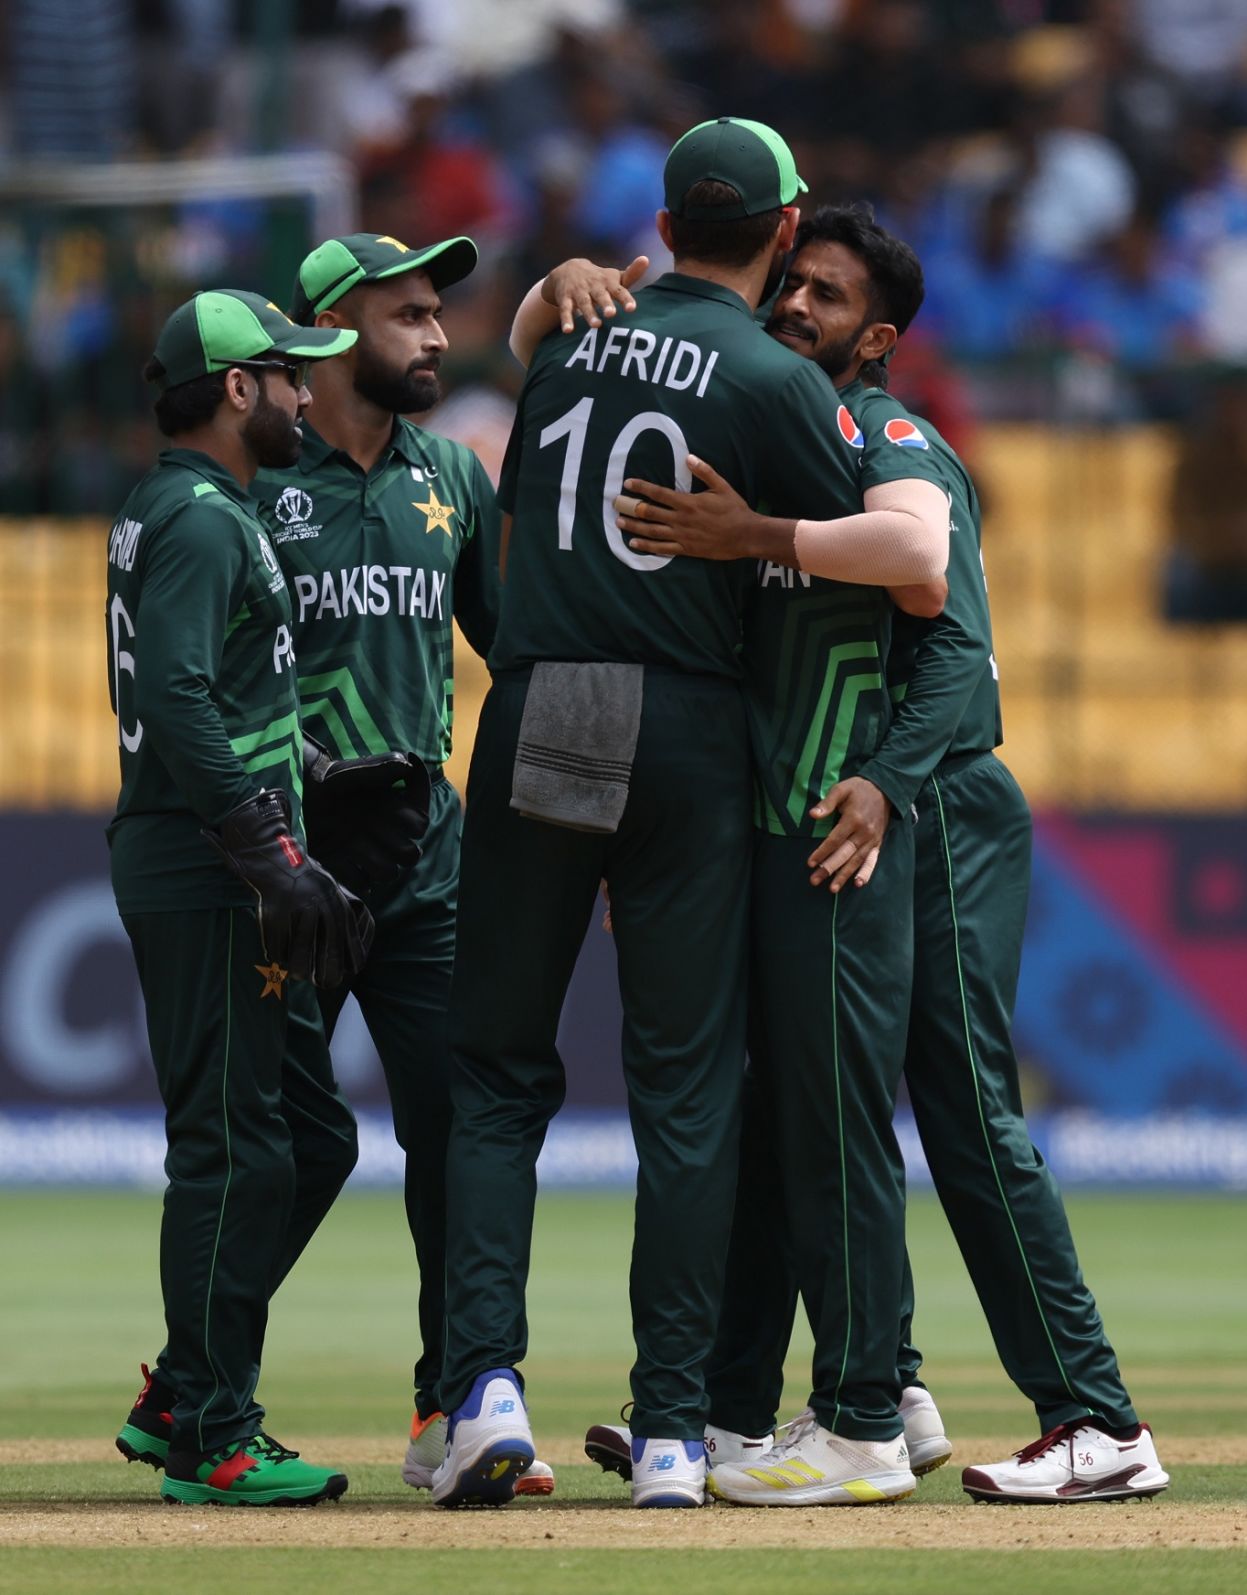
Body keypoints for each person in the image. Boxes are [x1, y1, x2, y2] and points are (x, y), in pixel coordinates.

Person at [589, 203, 1171, 1506]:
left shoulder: (889, 438)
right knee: (808, 1100)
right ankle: (802, 1398)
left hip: (934, 807)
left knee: (956, 1110)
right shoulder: (770, 447)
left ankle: (1087, 1416)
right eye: (791, 283)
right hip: (840, 807)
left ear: (880, 335)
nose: (797, 305)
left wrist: (887, 787)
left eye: (829, 296)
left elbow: (955, 648)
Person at [435, 118, 948, 1512]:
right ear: (785, 233)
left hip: (542, 699)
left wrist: (559, 285)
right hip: (686, 723)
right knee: (687, 1086)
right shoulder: (779, 376)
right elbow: (901, 541)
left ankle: (480, 1389)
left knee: (493, 1073)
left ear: (659, 224)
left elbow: (531, 350)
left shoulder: (561, 341)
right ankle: (674, 1428)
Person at [246, 233, 559, 1496]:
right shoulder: (260, 487)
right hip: (288, 868)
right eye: (408, 315)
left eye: (440, 314)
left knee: (462, 1128)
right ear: (327, 333)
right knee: (266, 1143)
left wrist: (556, 831)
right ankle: (198, 1391)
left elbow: (522, 652)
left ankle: (457, 1403)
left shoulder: (450, 478)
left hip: (427, 864)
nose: (435, 337)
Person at [108, 290, 372, 1506]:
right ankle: (213, 1426)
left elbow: (221, 690)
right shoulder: (208, 519)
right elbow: (173, 692)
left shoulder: (187, 508)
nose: (307, 394)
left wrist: (313, 773)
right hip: (210, 875)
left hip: (219, 857)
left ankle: (183, 1387)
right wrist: (263, 845)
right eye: (288, 375)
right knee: (234, 1151)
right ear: (234, 388)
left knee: (311, 1139)